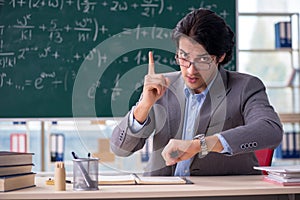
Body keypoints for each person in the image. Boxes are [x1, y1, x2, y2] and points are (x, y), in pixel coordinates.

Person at [110, 8, 283, 176]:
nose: (191, 71)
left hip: (218, 193)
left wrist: (201, 145)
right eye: (184, 58)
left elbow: (270, 130)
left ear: (220, 56)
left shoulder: (245, 87)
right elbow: (120, 149)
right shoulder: (162, 86)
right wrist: (144, 105)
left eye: (202, 60)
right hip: (163, 192)